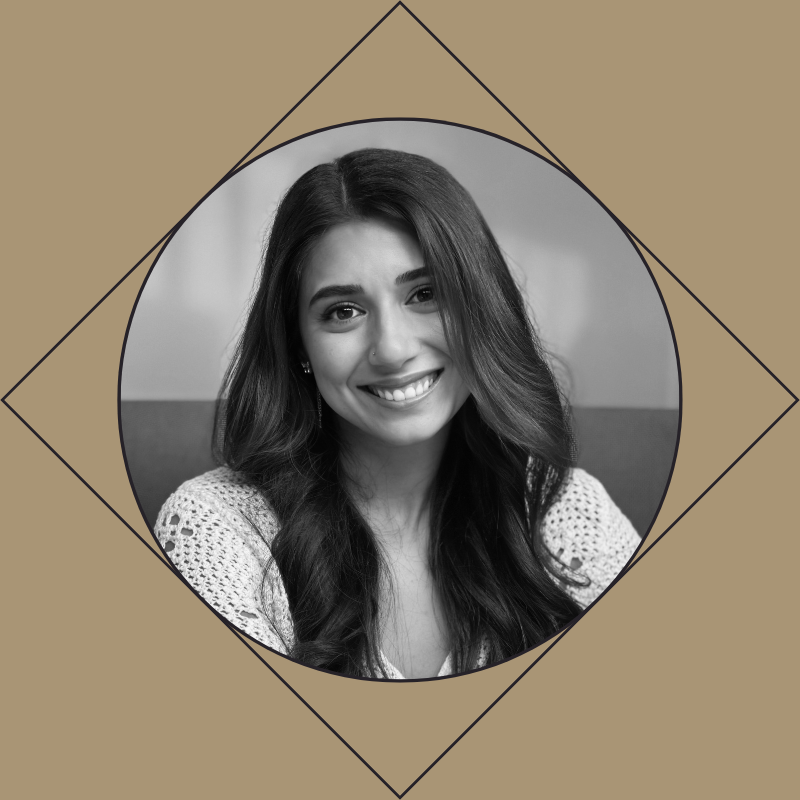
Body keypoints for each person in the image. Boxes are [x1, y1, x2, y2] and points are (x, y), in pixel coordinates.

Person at [155, 148, 639, 680]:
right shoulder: (217, 527)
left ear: (481, 308)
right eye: (344, 311)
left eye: (425, 294)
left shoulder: (562, 507)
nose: (391, 349)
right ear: (299, 347)